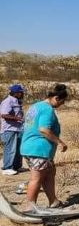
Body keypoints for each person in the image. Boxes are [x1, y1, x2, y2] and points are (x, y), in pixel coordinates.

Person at [18, 84, 69, 212]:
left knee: (50, 173)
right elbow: (44, 130)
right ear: (56, 98)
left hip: (29, 147)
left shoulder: (35, 106)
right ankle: (30, 207)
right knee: (37, 178)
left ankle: (54, 201)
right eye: (62, 101)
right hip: (38, 149)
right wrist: (60, 142)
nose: (62, 104)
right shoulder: (47, 109)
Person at [1, 84, 25, 175]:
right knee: (10, 149)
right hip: (9, 129)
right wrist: (18, 118)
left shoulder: (17, 101)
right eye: (21, 92)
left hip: (18, 129)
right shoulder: (8, 101)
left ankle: (16, 167)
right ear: (16, 93)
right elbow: (4, 114)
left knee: (19, 149)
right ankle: (7, 168)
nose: (22, 94)